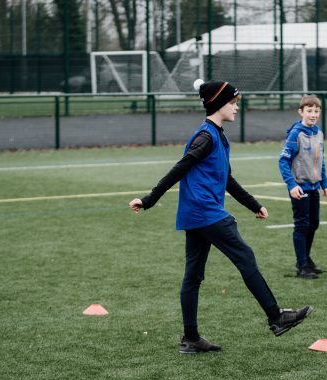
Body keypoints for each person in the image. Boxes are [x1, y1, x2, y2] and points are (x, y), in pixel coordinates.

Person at [129, 79, 313, 354]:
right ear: (217, 104)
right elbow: (180, 168)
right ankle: (276, 317)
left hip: (197, 214)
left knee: (193, 276)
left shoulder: (218, 136)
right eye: (232, 103)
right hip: (206, 212)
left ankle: (190, 338)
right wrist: (149, 200)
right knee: (245, 257)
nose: (236, 108)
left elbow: (226, 178)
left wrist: (252, 204)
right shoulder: (205, 137)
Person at [278, 95, 327, 279]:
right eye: (309, 111)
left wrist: (324, 184)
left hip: (314, 186)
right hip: (299, 187)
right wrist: (291, 185)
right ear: (301, 112)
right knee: (302, 225)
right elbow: (283, 161)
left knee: (313, 223)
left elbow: (320, 161)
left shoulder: (319, 133)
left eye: (316, 111)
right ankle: (301, 265)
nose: (313, 114)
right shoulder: (296, 134)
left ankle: (306, 258)